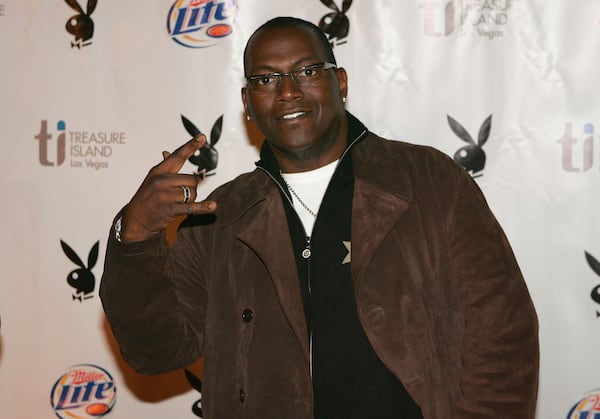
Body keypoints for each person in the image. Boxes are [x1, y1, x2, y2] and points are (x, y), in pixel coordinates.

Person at [100, 16, 539, 419]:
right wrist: (135, 237)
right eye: (266, 79)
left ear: (340, 82)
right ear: (247, 102)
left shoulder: (428, 181)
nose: (288, 91)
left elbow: (503, 336)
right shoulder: (222, 215)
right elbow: (157, 351)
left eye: (307, 71)